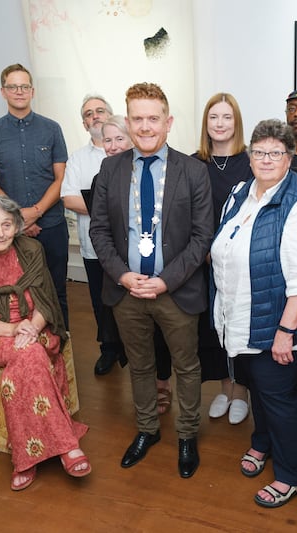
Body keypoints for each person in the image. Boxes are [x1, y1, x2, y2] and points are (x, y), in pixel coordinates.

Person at [89, 82, 214, 479]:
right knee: (140, 366)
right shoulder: (109, 169)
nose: (145, 126)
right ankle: (147, 430)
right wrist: (123, 276)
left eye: (153, 118)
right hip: (126, 290)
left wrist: (163, 281)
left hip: (175, 290)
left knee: (186, 365)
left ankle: (187, 436)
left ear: (168, 122)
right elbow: (99, 231)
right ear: (127, 122)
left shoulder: (193, 170)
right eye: (138, 118)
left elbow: (201, 237)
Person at [211, 119, 297, 508]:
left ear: (290, 158)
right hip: (241, 319)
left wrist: (284, 331)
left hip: (277, 326)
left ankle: (293, 473)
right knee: (259, 390)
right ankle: (262, 442)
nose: (265, 159)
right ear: (249, 155)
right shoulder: (242, 193)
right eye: (259, 151)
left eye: (275, 152)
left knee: (278, 398)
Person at [0, 195, 90, 491]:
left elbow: (46, 299)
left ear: (16, 227)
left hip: (35, 326)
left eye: (7, 224)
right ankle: (68, 446)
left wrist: (33, 327)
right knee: (31, 352)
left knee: (31, 352)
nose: (0, 232)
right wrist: (15, 330)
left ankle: (25, 460)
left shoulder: (31, 248)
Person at [91, 116, 175, 414]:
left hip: (162, 277)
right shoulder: (105, 174)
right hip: (122, 277)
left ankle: (163, 383)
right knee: (136, 344)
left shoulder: (169, 172)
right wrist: (122, 274)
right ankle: (146, 401)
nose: (113, 146)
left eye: (119, 139)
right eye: (108, 140)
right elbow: (101, 229)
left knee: (161, 337)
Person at [0, 63, 70, 328]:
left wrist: (36, 212)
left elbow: (60, 178)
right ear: (3, 91)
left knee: (56, 290)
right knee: (21, 294)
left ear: (32, 91)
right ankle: (30, 348)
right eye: (12, 87)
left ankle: (61, 345)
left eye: (24, 86)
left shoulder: (51, 129)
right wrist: (19, 217)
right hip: (11, 230)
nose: (19, 91)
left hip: (52, 224)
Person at [193, 92, 252, 425]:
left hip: (239, 264)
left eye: (227, 117)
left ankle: (241, 392)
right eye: (213, 117)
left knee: (238, 323)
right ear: (206, 123)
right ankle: (224, 387)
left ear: (237, 122)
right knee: (212, 327)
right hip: (202, 262)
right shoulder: (194, 162)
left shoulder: (251, 161)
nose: (220, 123)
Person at [60, 94, 119, 374]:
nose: (94, 116)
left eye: (99, 111)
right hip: (93, 247)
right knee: (100, 301)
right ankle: (108, 350)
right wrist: (109, 209)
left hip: (127, 248)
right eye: (88, 114)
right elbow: (69, 199)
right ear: (84, 124)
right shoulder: (78, 159)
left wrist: (99, 206)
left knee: (129, 303)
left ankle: (135, 351)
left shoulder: (125, 150)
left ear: (110, 115)